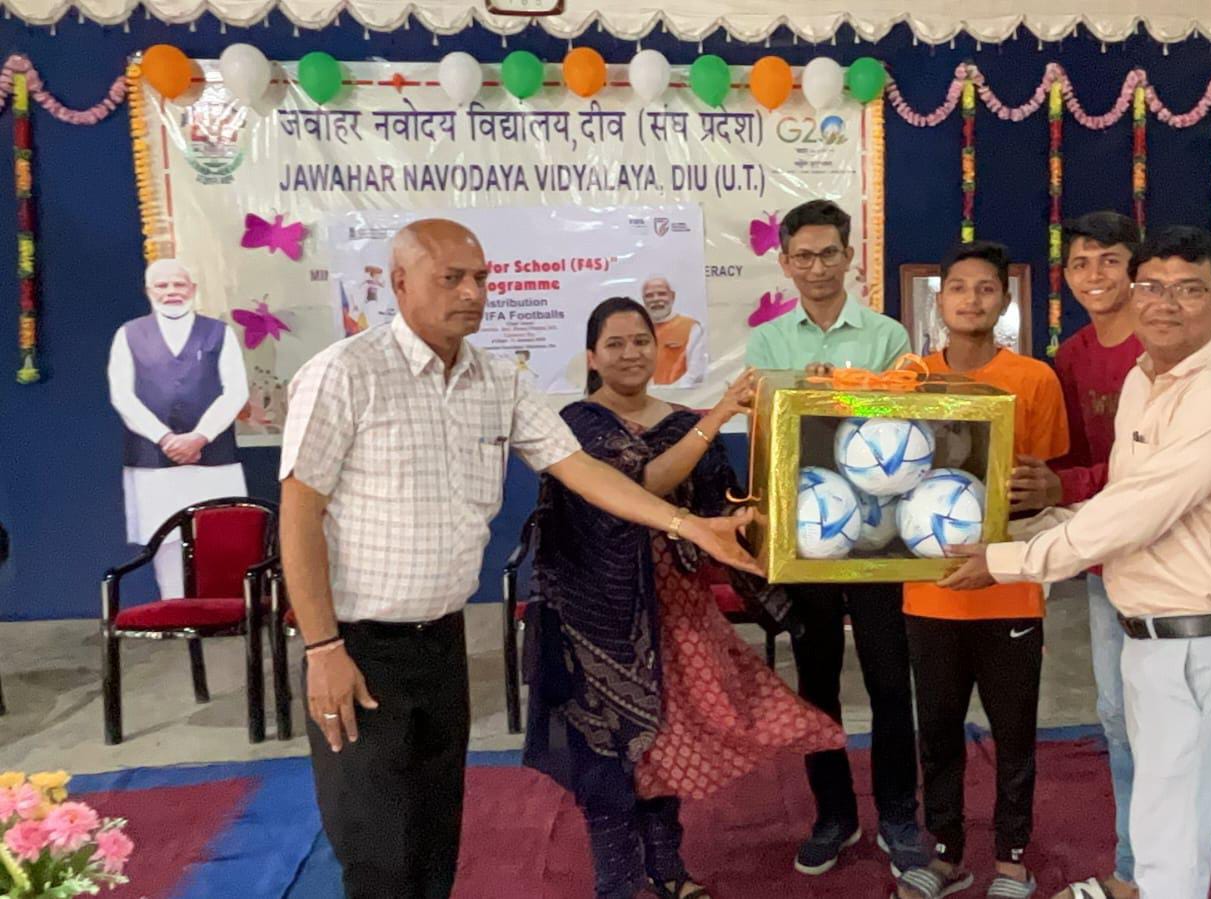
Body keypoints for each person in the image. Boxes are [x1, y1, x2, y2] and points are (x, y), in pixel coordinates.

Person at [278, 219, 759, 899]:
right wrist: (322, 647)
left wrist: (689, 525)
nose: (472, 292)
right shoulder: (344, 373)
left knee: (435, 834)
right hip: (357, 647)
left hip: (443, 643)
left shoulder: (496, 379)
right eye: (451, 278)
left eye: (480, 278)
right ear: (400, 283)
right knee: (377, 847)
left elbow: (581, 469)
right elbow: (299, 512)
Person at [941, 226, 1211, 899]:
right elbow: (1118, 496)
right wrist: (1014, 529)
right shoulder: (1142, 379)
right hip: (1150, 632)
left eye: (1188, 290)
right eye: (1152, 287)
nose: (1165, 304)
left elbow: (1137, 512)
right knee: (1157, 824)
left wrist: (1008, 559)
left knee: (1176, 838)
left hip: (1202, 640)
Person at [525, 297, 846, 899]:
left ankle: (668, 870)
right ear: (591, 357)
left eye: (641, 341)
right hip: (599, 613)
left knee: (666, 744)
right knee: (608, 749)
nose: (631, 354)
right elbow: (641, 484)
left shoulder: (679, 421)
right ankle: (617, 883)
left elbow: (721, 501)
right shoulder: (577, 424)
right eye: (615, 344)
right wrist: (717, 414)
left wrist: (771, 523)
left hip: (675, 607)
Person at [745, 200, 925, 878]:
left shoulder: (886, 335)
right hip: (806, 537)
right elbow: (770, 432)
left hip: (878, 535)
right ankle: (834, 814)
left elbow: (904, 425)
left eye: (828, 254)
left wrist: (838, 397)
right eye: (804, 256)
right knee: (815, 682)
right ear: (785, 262)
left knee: (889, 678)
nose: (817, 267)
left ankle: (899, 813)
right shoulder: (767, 342)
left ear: (850, 257)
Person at [894, 242, 1068, 899]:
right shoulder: (906, 379)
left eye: (985, 288)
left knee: (1014, 732)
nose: (971, 299)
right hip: (929, 589)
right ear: (939, 301)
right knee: (937, 731)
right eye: (959, 288)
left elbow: (1040, 484)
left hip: (1009, 588)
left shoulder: (1034, 379)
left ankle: (1012, 860)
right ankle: (944, 854)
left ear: (1004, 300)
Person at [1008, 211, 1143, 899]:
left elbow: (1162, 467)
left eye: (1109, 260)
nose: (1095, 275)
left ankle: (1150, 867)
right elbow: (1059, 461)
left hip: (1172, 558)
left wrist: (1068, 486)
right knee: (1116, 712)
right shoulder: (1070, 357)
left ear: (1136, 269)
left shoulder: (1162, 346)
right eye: (1081, 263)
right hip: (1102, 557)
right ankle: (1135, 864)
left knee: (1166, 717)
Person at [107, 258, 248, 599]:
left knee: (223, 536)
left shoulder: (219, 332)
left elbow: (236, 391)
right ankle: (175, 607)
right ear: (148, 291)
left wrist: (200, 436)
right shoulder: (129, 334)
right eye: (162, 285)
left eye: (179, 284)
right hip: (153, 459)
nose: (171, 292)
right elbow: (122, 395)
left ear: (193, 289)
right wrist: (165, 438)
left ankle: (224, 611)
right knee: (164, 540)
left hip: (214, 457)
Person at [642, 276, 707, 387]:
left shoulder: (692, 327)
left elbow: (696, 373)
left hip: (682, 393)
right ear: (644, 300)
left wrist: (668, 392)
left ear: (672, 296)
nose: (655, 299)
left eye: (661, 294)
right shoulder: (637, 328)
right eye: (649, 295)